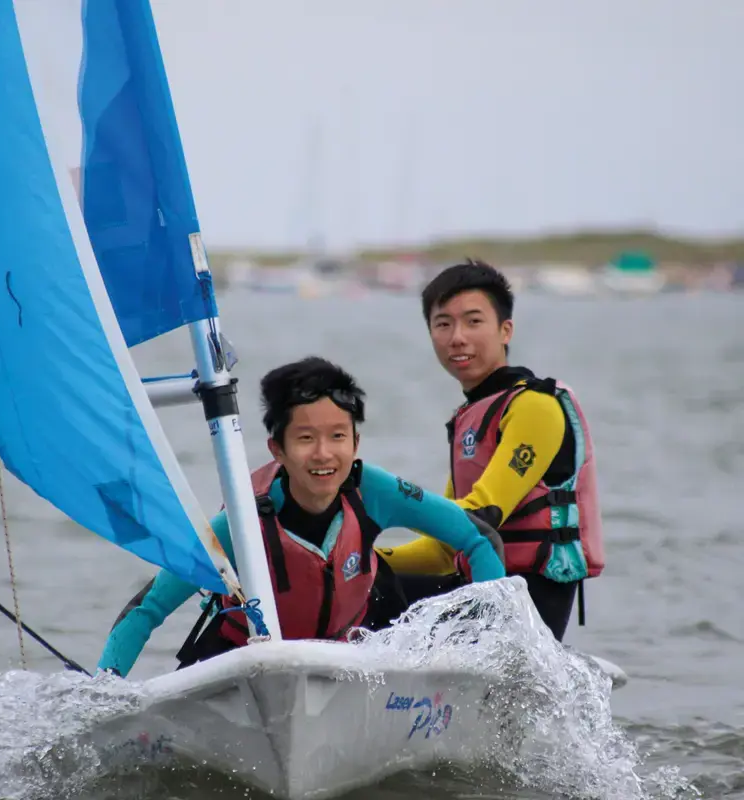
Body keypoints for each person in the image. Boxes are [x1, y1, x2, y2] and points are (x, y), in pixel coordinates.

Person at [96, 356, 506, 678]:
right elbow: (147, 608)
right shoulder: (241, 522)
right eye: (306, 438)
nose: (324, 454)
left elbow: (478, 539)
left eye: (337, 437)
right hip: (250, 660)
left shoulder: (375, 492)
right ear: (277, 449)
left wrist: (492, 652)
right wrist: (105, 687)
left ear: (356, 442)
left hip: (355, 649)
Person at [377, 260, 605, 642]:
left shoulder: (535, 407)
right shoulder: (474, 416)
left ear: (505, 330)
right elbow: (440, 550)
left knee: (368, 595)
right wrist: (358, 559)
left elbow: (482, 514)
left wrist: (379, 505)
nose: (457, 338)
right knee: (350, 583)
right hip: (474, 591)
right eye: (443, 324)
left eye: (473, 321)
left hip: (525, 604)